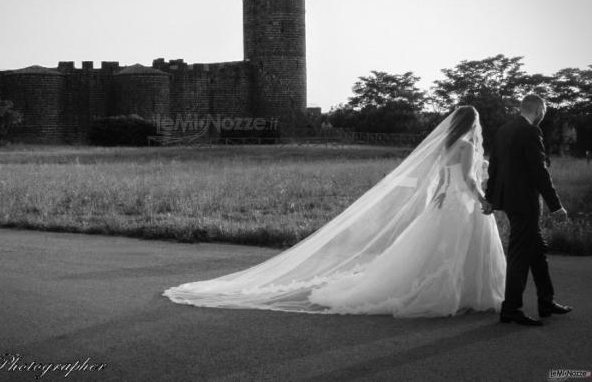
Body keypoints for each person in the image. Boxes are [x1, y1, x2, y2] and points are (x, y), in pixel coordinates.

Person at [163, 106, 506, 317]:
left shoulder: (447, 145)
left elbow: (441, 180)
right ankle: (456, 295)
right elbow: (466, 180)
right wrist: (483, 200)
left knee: (435, 252)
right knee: (450, 252)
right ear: (471, 125)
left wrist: (445, 198)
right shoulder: (463, 146)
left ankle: (453, 293)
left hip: (444, 204)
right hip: (460, 205)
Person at [484, 94, 573, 326]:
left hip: (510, 202)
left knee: (537, 251)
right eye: (543, 110)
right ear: (538, 109)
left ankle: (546, 302)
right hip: (525, 204)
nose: (544, 115)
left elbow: (493, 168)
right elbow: (539, 172)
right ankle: (511, 309)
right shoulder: (531, 132)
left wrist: (490, 198)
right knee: (519, 256)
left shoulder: (503, 130)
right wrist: (556, 206)